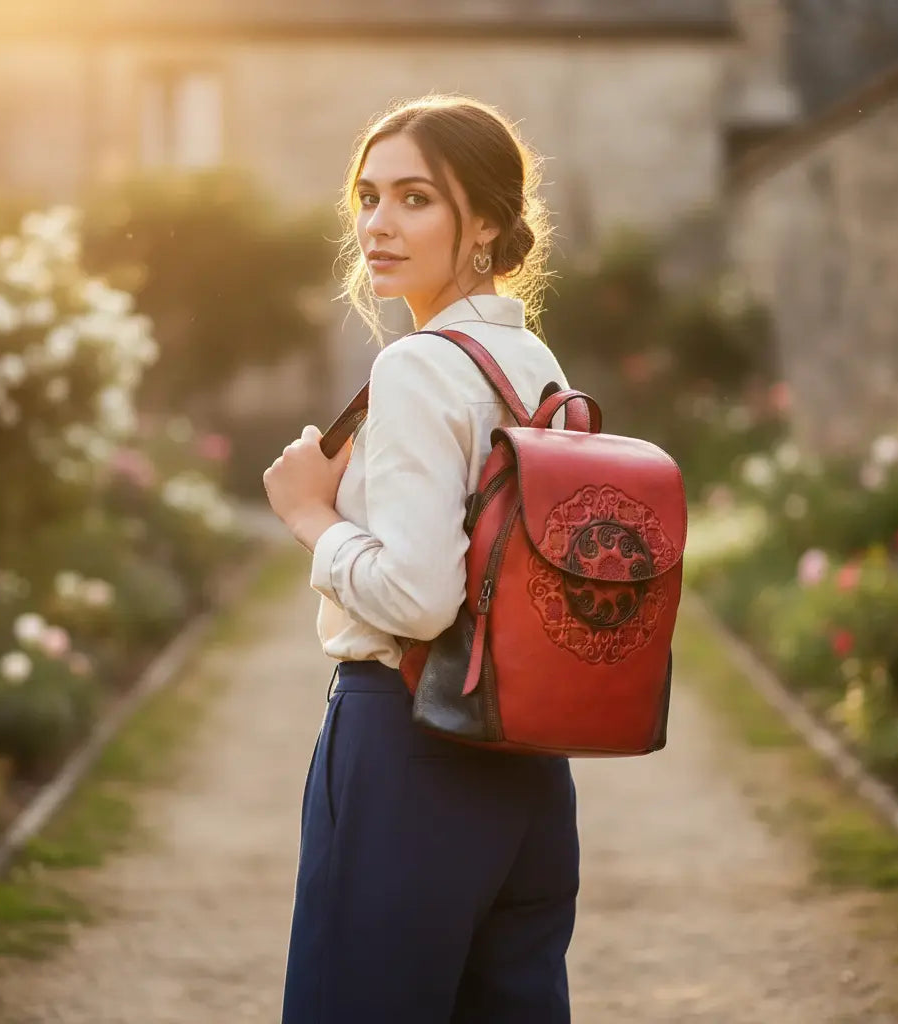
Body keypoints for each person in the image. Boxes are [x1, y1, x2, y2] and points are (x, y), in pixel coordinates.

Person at [263, 94, 580, 1023]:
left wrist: (310, 516)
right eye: (367, 196)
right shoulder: (536, 365)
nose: (377, 224)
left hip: (407, 742)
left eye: (414, 199)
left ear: (484, 222)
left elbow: (417, 596)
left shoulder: (416, 367)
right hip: (527, 761)